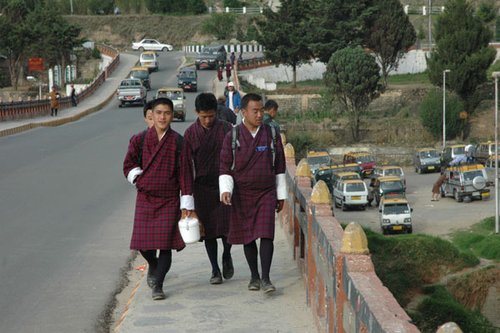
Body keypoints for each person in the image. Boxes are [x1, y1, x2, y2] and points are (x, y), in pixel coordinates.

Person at [123, 98, 196, 300]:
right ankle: (153, 264)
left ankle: (159, 285)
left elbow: (185, 175)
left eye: (166, 113)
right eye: (159, 113)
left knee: (165, 245)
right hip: (146, 198)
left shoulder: (179, 142)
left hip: (169, 200)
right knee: (143, 244)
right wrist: (139, 179)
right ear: (151, 115)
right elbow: (128, 165)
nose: (162, 117)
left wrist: (186, 204)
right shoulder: (138, 140)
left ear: (172, 115)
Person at [219, 93, 287, 293]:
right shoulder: (233, 136)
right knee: (248, 236)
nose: (259, 115)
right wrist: (225, 190)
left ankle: (266, 278)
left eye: (261, 111)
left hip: (266, 192)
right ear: (243, 112)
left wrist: (281, 194)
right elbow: (225, 166)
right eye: (255, 111)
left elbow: (280, 166)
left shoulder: (271, 134)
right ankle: (254, 276)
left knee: (266, 234)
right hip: (242, 193)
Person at [183, 93, 234, 284]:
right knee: (209, 232)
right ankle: (215, 269)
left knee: (227, 228)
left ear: (216, 113)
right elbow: (187, 167)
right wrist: (187, 198)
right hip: (202, 189)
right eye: (203, 116)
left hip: (224, 186)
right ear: (197, 113)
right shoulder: (190, 134)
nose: (207, 120)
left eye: (211, 116)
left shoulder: (227, 129)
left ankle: (227, 254)